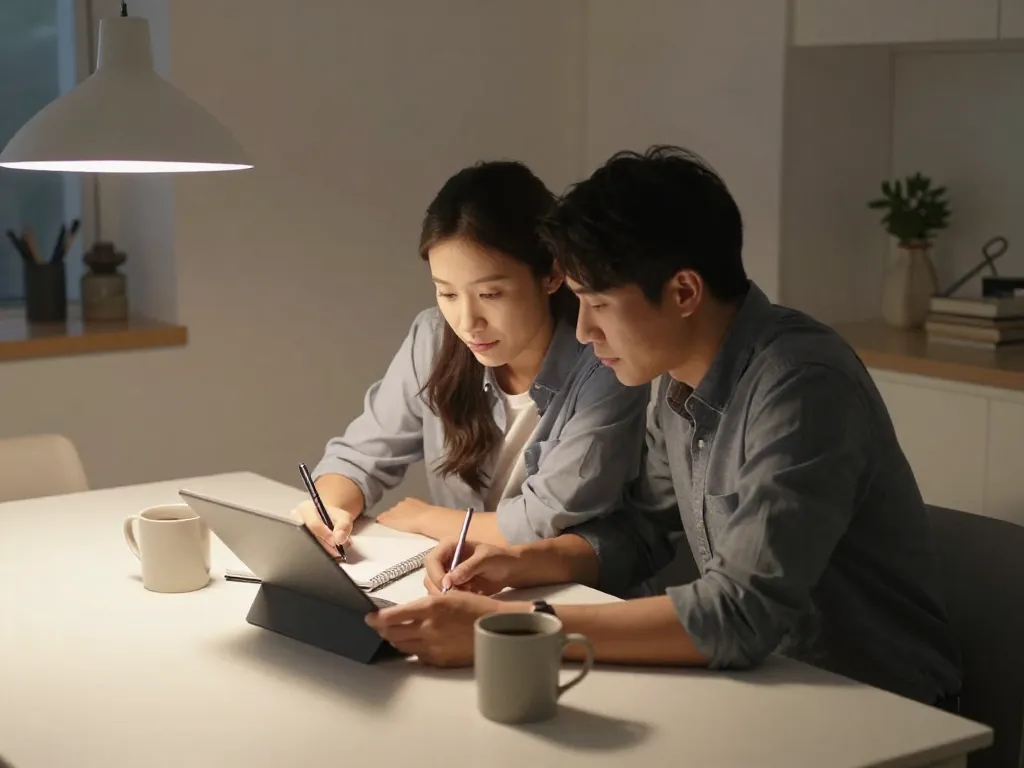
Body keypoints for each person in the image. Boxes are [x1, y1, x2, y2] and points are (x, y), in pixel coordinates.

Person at [365, 145, 964, 709]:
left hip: (874, 709)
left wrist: (518, 627)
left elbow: (740, 612)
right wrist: (522, 563)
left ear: (683, 291)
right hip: (759, 688)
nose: (583, 332)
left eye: (598, 304)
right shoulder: (678, 383)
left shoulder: (801, 385)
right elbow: (638, 533)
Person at [295, 160, 649, 552]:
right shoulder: (433, 337)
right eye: (447, 293)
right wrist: (328, 506)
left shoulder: (604, 361)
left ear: (551, 274)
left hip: (573, 595)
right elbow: (361, 456)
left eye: (490, 295)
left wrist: (429, 519)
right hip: (457, 584)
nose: (467, 322)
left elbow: (547, 516)